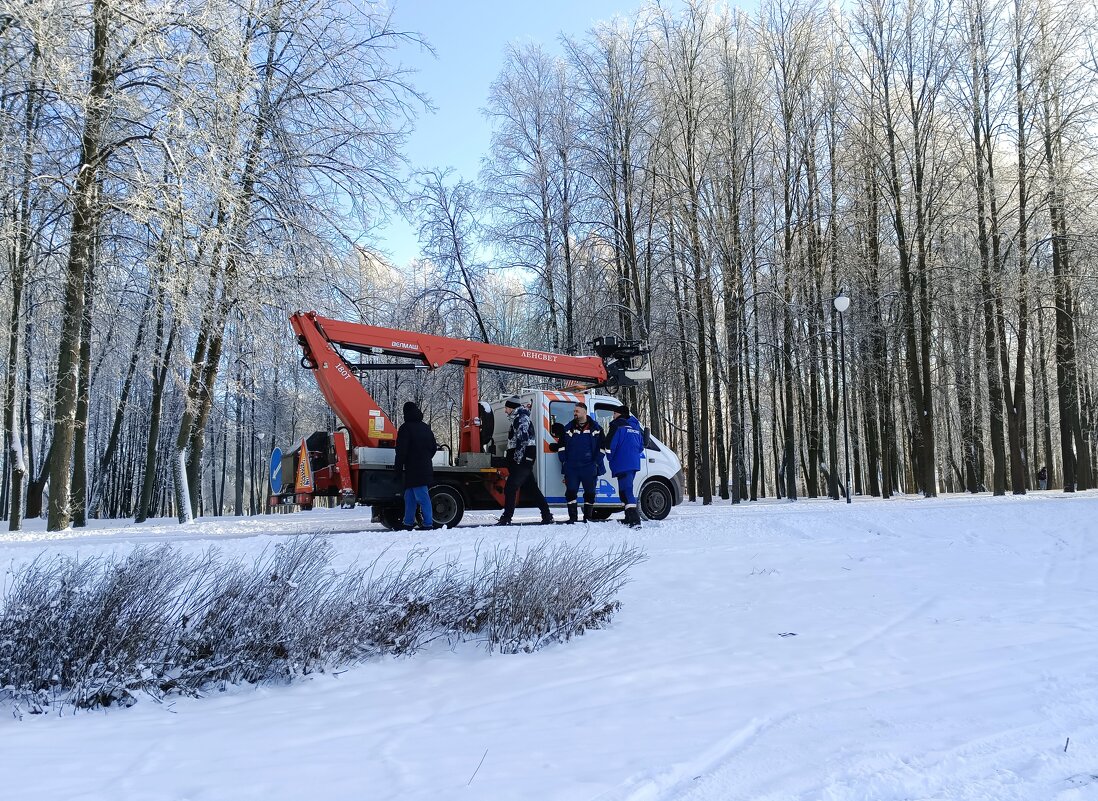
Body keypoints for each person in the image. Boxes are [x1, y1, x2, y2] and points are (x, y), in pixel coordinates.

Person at [498, 396, 554, 525]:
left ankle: (507, 518)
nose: (505, 411)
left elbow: (523, 440)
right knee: (532, 489)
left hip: (522, 459)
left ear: (512, 408)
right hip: (524, 459)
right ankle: (547, 515)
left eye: (506, 408)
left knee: (510, 488)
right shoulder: (518, 418)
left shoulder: (521, 418)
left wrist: (517, 459)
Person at [393, 401, 439, 530]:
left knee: (421, 496)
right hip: (424, 466)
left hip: (413, 468)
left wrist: (398, 469)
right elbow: (433, 447)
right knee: (410, 497)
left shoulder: (405, 428)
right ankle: (408, 522)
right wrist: (425, 458)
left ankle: (428, 523)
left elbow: (401, 451)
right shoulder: (425, 427)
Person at [558, 402, 605, 523]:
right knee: (570, 492)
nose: (575, 413)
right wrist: (564, 461)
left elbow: (602, 447)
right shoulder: (568, 428)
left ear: (584, 412)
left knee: (590, 493)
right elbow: (561, 446)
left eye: (577, 411)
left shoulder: (597, 428)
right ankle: (572, 518)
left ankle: (588, 517)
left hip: (589, 467)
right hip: (572, 467)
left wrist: (596, 462)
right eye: (574, 411)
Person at [607, 402, 645, 528]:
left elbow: (610, 445)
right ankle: (628, 517)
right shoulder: (636, 426)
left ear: (620, 414)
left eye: (614, 413)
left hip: (621, 462)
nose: (613, 416)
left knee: (626, 490)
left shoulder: (617, 425)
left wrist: (610, 458)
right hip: (633, 463)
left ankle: (634, 520)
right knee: (624, 490)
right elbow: (641, 446)